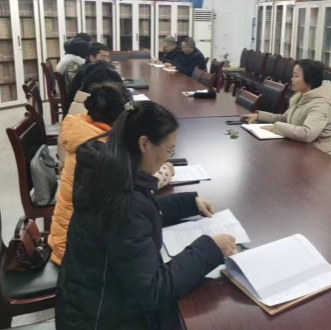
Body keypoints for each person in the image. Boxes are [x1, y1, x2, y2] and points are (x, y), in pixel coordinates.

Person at [56, 101, 236, 329]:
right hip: (102, 319)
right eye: (169, 149)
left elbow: (139, 213)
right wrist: (210, 249)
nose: (168, 157)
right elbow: (153, 291)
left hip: (86, 303)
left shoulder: (108, 170)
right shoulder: (124, 201)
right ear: (144, 144)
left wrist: (188, 204)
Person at [49, 84, 176, 266]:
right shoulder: (103, 149)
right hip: (75, 252)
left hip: (71, 235)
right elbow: (133, 193)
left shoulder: (83, 129)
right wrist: (166, 171)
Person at [241, 60, 331, 155]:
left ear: (310, 80)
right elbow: (285, 118)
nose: (292, 79)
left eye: (296, 76)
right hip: (298, 147)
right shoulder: (301, 95)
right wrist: (258, 116)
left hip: (317, 155)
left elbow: (307, 134)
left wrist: (275, 127)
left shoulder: (321, 105)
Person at [65, 47, 115, 117]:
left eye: (108, 58)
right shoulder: (90, 72)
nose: (106, 60)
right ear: (92, 58)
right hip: (81, 113)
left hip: (80, 111)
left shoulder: (88, 68)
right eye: (103, 57)